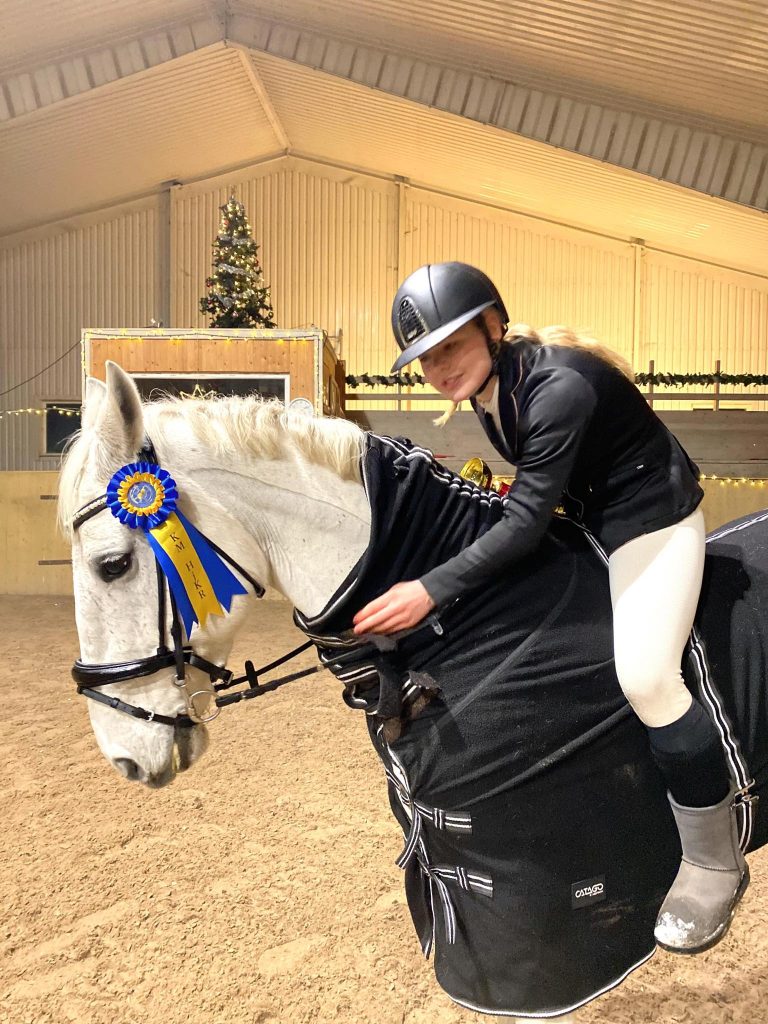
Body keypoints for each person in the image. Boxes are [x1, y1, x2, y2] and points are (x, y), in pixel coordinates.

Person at [352, 260, 749, 955]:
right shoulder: (488, 389)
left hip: (652, 518)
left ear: (492, 326)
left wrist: (429, 589)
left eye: (450, 346)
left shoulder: (556, 387)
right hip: (592, 515)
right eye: (425, 359)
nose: (438, 369)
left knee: (647, 678)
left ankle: (715, 860)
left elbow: (525, 523)